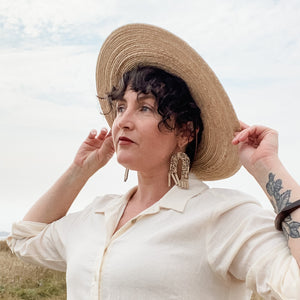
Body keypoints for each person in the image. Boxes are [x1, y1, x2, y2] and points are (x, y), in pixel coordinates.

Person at [7, 24, 300, 299]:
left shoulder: (222, 216)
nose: (122, 120)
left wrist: (267, 168)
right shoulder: (96, 214)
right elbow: (23, 240)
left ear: (185, 131)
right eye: (121, 107)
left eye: (144, 107)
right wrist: (79, 171)